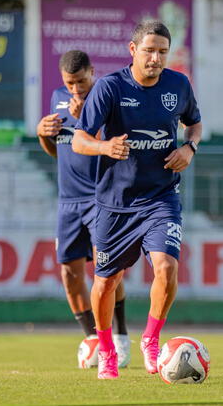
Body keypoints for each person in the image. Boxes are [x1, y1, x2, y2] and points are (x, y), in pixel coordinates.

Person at [72, 21, 202, 379]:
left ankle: (151, 339)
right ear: (133, 51)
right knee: (106, 283)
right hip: (115, 204)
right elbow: (79, 139)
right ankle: (108, 350)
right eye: (149, 50)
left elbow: (195, 124)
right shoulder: (110, 88)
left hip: (161, 196)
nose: (156, 58)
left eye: (162, 51)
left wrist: (189, 147)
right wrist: (104, 146)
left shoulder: (179, 84)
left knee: (166, 267)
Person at [36, 50, 131, 369]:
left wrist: (86, 120)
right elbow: (56, 150)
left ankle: (120, 336)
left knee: (106, 271)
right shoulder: (57, 97)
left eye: (80, 81)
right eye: (70, 83)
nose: (75, 89)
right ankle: (93, 340)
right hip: (68, 201)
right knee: (69, 272)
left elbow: (111, 145)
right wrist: (42, 134)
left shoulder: (106, 97)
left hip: (100, 198)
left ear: (93, 72)